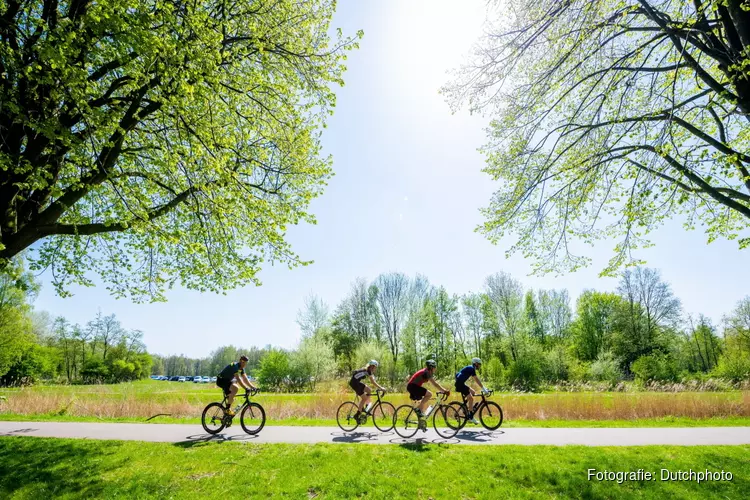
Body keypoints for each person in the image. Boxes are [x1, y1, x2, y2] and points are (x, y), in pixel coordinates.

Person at [407, 359, 450, 428]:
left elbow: (433, 384)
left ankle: (421, 424)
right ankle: (418, 411)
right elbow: (435, 384)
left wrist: (442, 390)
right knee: (429, 394)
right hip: (412, 386)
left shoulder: (427, 372)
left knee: (422, 404)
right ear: (431, 367)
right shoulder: (426, 372)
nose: (435, 369)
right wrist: (444, 390)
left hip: (413, 386)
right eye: (434, 367)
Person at [455, 357, 490, 425]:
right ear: (476, 363)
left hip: (461, 383)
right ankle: (471, 417)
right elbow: (476, 379)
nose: (480, 366)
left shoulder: (471, 368)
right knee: (471, 398)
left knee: (473, 392)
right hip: (460, 385)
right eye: (479, 364)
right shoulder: (471, 368)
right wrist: (483, 388)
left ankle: (465, 407)